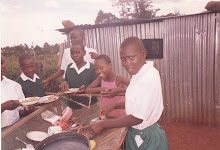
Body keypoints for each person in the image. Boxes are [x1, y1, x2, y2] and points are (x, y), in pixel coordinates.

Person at [91, 37, 169, 150]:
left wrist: (103, 124)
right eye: (123, 59)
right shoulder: (138, 75)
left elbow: (137, 117)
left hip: (147, 139)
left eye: (131, 57)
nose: (127, 63)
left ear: (144, 53)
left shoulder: (149, 76)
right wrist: (113, 105)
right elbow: (135, 103)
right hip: (136, 134)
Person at [59, 43, 97, 110]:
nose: (75, 55)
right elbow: (67, 81)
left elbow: (97, 88)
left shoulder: (92, 68)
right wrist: (65, 83)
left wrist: (85, 90)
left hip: (89, 107)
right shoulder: (69, 67)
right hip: (72, 106)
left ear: (84, 53)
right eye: (72, 53)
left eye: (78, 52)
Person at [1, 56, 35, 128]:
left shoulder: (15, 86)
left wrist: (27, 111)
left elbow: (19, 112)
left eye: (1, 62)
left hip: (15, 128)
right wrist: (3, 107)